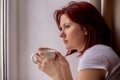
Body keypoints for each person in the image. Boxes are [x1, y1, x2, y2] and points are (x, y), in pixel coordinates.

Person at [35, 1, 120, 80]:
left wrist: (55, 74)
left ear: (86, 28)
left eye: (67, 26)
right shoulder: (99, 52)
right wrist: (65, 70)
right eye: (61, 28)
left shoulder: (94, 55)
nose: (61, 34)